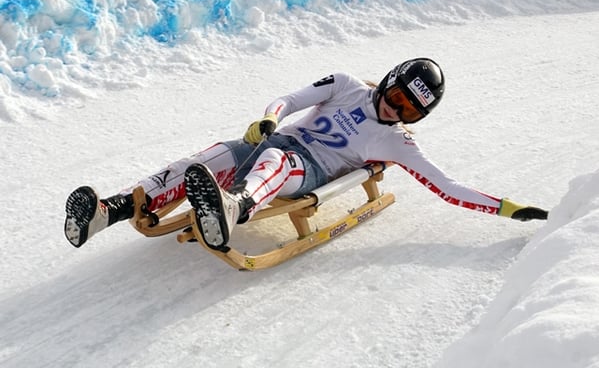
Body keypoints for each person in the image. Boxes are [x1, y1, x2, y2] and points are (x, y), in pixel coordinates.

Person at [64, 58, 548, 250]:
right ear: (390, 80)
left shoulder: (397, 143)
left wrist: (509, 209)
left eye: (408, 110)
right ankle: (109, 211)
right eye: (397, 96)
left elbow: (448, 188)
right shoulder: (346, 84)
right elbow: (288, 100)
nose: (395, 109)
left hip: (305, 169)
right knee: (206, 159)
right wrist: (269, 120)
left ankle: (232, 208)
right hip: (273, 140)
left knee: (277, 163)